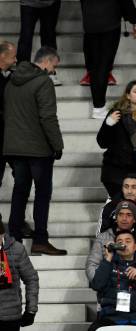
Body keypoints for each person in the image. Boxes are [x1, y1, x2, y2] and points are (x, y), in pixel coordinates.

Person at [3, 47, 65, 255]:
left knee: (19, 192)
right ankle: (40, 239)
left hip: (13, 147)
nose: (53, 71)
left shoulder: (11, 80)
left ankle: (13, 241)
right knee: (42, 193)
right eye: (54, 67)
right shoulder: (43, 82)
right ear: (46, 62)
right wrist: (57, 144)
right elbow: (47, 117)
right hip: (38, 149)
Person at [80, 0, 136, 119]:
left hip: (90, 23)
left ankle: (98, 107)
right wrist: (134, 22)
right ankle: (98, 107)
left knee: (95, 67)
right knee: (103, 66)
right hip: (109, 23)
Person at [86, 200, 136, 282]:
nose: (124, 218)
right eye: (120, 214)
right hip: (110, 288)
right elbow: (92, 265)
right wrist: (102, 281)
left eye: (129, 215)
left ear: (134, 219)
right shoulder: (102, 238)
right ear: (116, 218)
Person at [96, 174, 136, 242]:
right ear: (122, 188)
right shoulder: (110, 206)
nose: (129, 191)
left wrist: (131, 247)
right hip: (114, 248)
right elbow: (100, 235)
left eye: (134, 187)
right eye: (126, 187)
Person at [16, 0, 61, 85]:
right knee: (26, 37)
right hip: (28, 3)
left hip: (51, 4)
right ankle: (22, 72)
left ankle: (50, 71)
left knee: (49, 36)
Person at [0, 41, 16, 190]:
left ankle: (17, 213)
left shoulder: (13, 76)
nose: (15, 60)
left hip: (11, 138)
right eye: (13, 56)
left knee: (22, 174)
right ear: (3, 56)